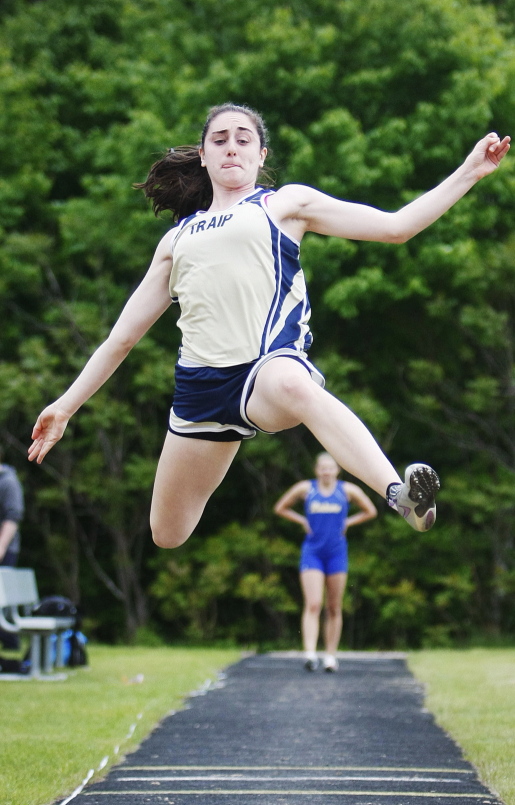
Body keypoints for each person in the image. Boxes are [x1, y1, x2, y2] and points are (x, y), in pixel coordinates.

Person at [28, 104, 510, 549]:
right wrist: (66, 407)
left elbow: (396, 227)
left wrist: (470, 171)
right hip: (200, 390)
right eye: (219, 139)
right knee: (167, 534)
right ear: (203, 156)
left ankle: (398, 493)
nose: (231, 145)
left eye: (243, 138)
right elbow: (122, 338)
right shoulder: (176, 240)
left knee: (291, 383)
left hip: (265, 372)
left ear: (261, 155)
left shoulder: (283, 204)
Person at [274, 452, 377, 671]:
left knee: (333, 606)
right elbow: (281, 507)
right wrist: (301, 520)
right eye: (322, 468)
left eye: (330, 468)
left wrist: (348, 522)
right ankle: (310, 654)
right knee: (313, 604)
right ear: (316, 470)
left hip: (337, 553)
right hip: (312, 551)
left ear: (337, 470)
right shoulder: (306, 489)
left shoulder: (347, 491)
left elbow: (370, 511)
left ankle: (330, 656)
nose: (326, 471)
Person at [0, 446, 25, 671]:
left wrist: (1, 547)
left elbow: (12, 518)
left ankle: (9, 644)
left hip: (4, 552)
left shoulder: (7, 481)